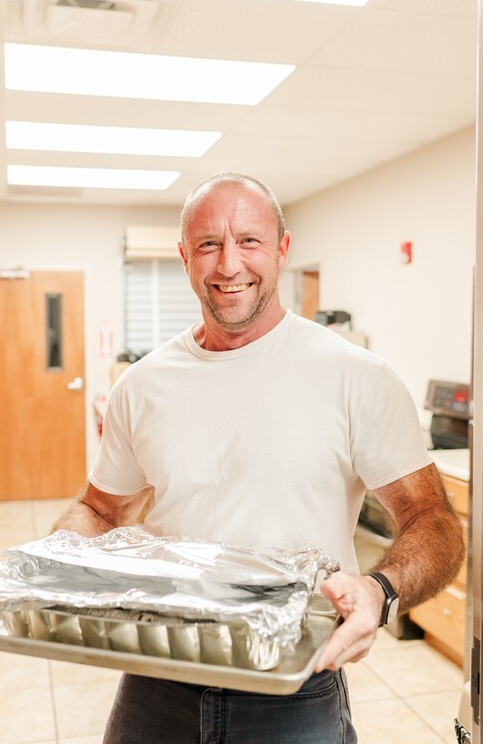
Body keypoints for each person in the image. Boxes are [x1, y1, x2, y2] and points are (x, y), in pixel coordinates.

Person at [53, 171, 465, 744]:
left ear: (281, 250)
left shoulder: (356, 377)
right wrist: (60, 561)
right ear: (184, 257)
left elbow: (435, 521)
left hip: (296, 687)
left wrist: (380, 590)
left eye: (248, 240)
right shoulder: (142, 386)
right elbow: (98, 509)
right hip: (157, 679)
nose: (229, 265)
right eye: (208, 244)